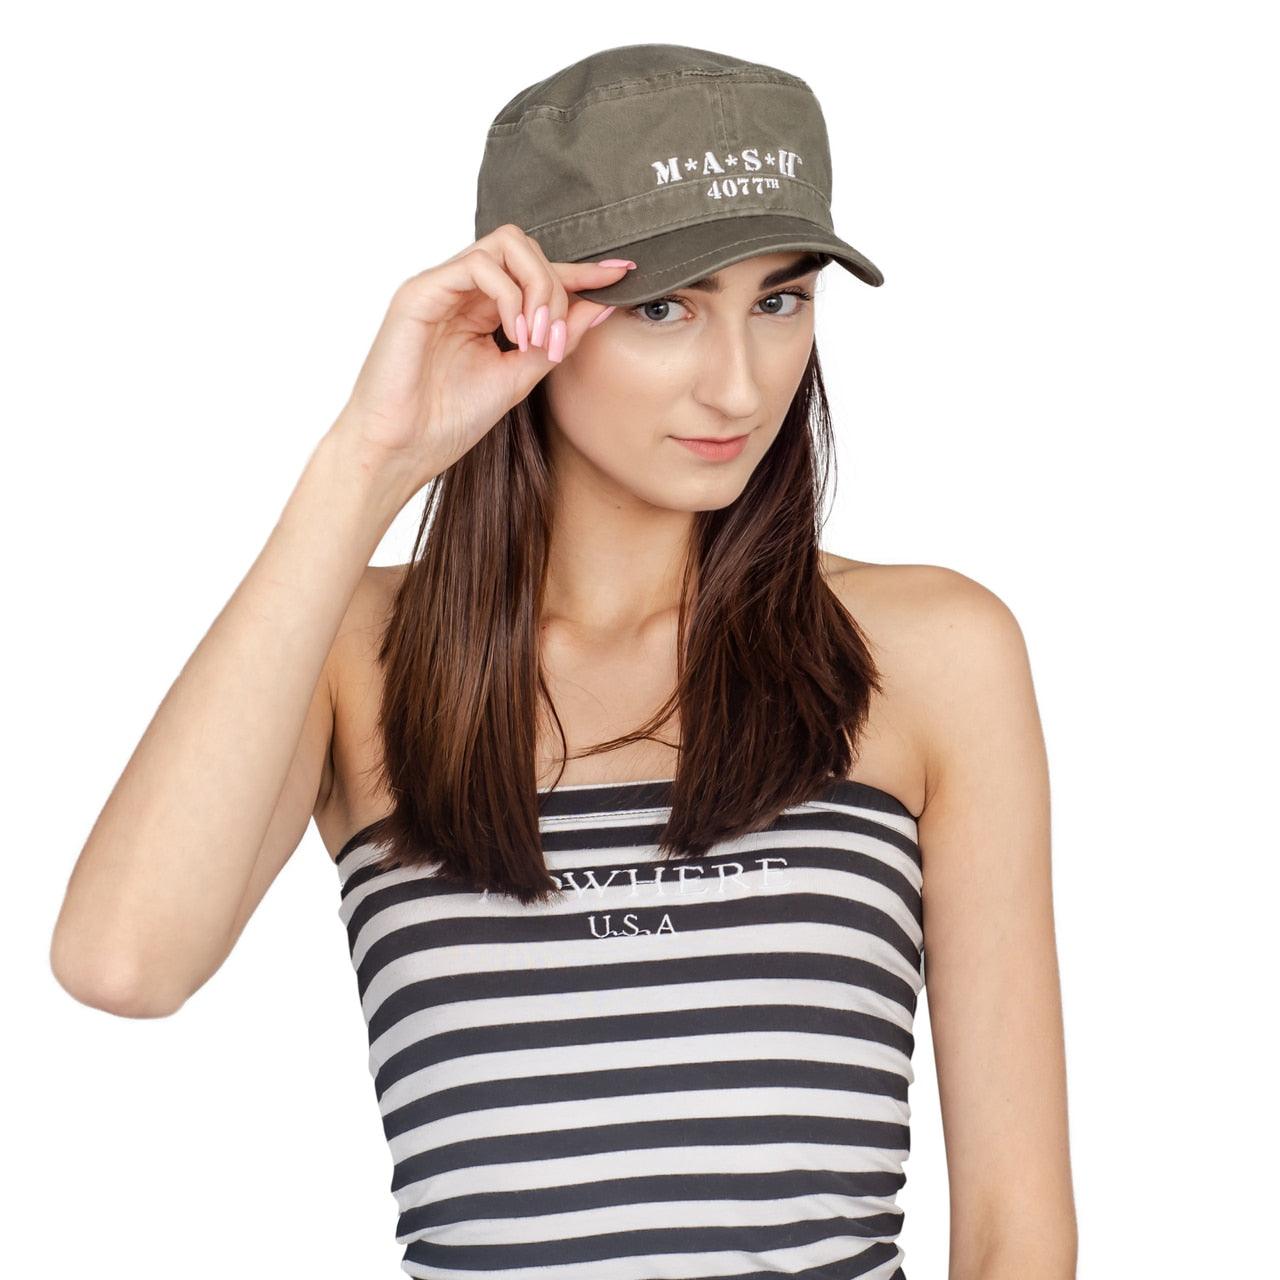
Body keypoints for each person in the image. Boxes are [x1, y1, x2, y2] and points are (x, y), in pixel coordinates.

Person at [50, 43, 1077, 1280]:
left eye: (779, 300)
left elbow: (1016, 1230)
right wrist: (367, 460)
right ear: (524, 313)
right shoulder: (357, 658)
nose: (738, 384)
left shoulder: (930, 652)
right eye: (663, 307)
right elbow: (122, 961)